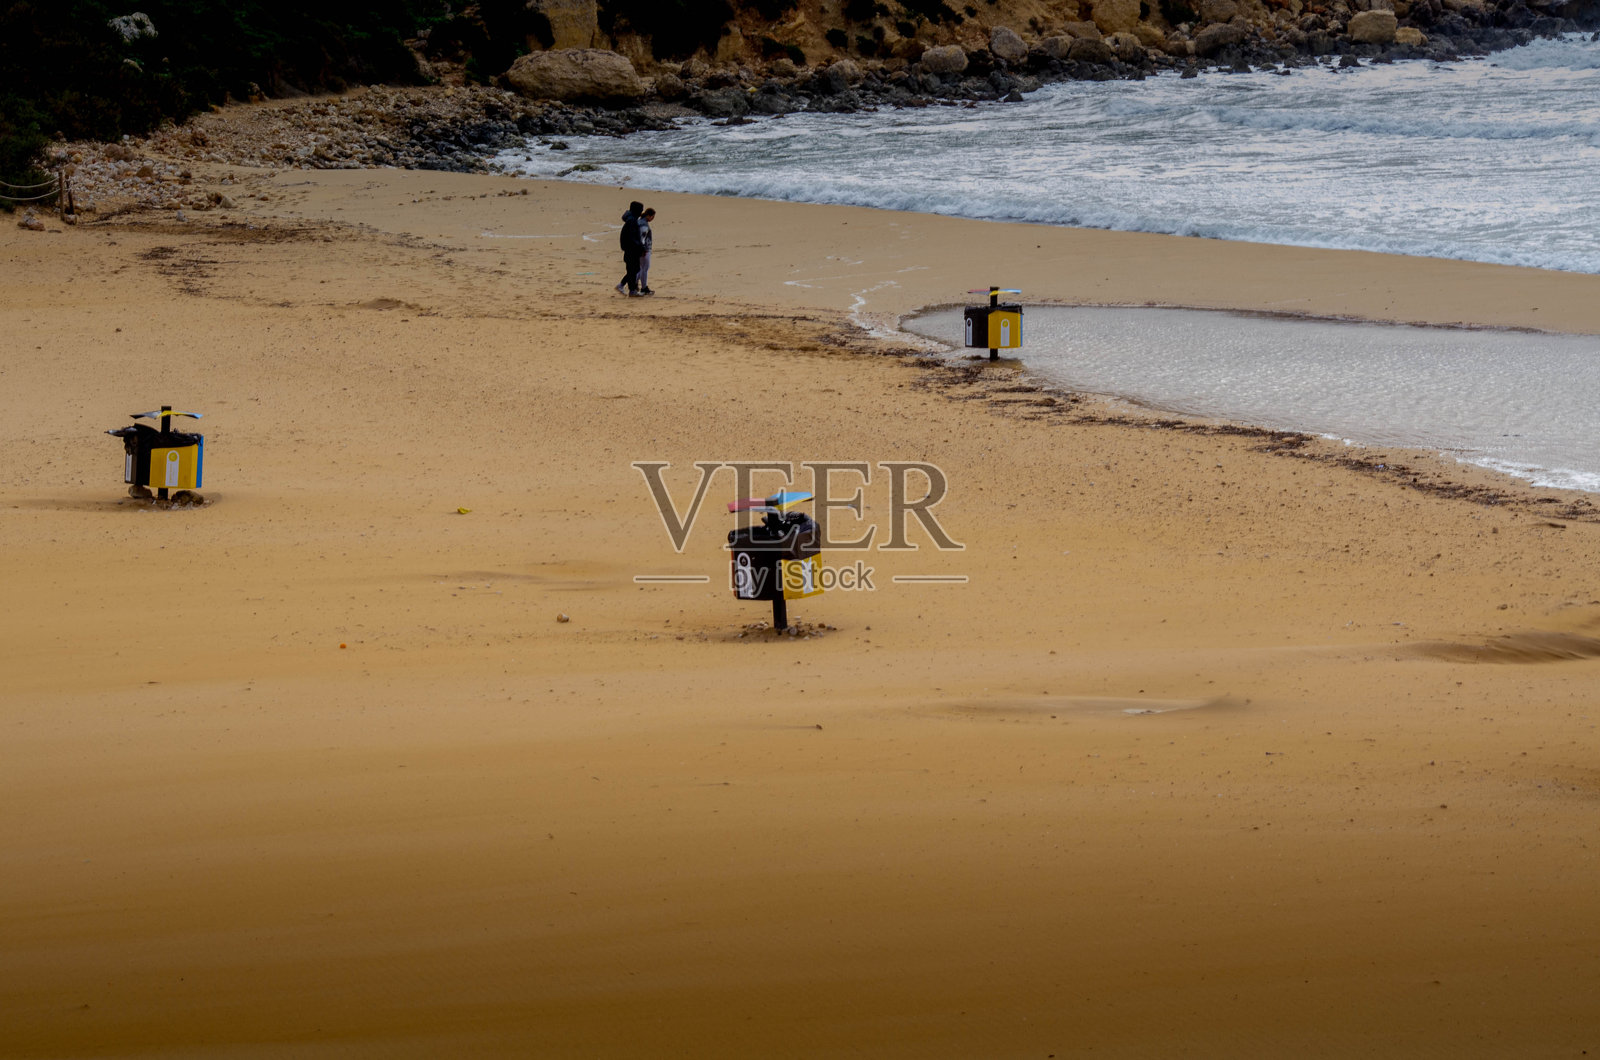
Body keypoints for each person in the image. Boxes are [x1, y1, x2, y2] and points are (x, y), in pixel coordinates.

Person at [616, 200, 644, 296]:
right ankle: (631, 290)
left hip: (629, 249)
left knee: (633, 269)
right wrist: (640, 247)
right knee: (633, 269)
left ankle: (624, 286)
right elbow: (632, 237)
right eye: (641, 210)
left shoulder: (631, 219)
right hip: (631, 250)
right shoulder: (632, 221)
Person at [636, 208, 656, 296]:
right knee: (644, 268)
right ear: (649, 215)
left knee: (640, 268)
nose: (652, 218)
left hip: (640, 248)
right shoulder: (644, 224)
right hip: (645, 249)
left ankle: (635, 284)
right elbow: (642, 238)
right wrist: (643, 249)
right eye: (652, 217)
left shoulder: (640, 222)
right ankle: (643, 287)